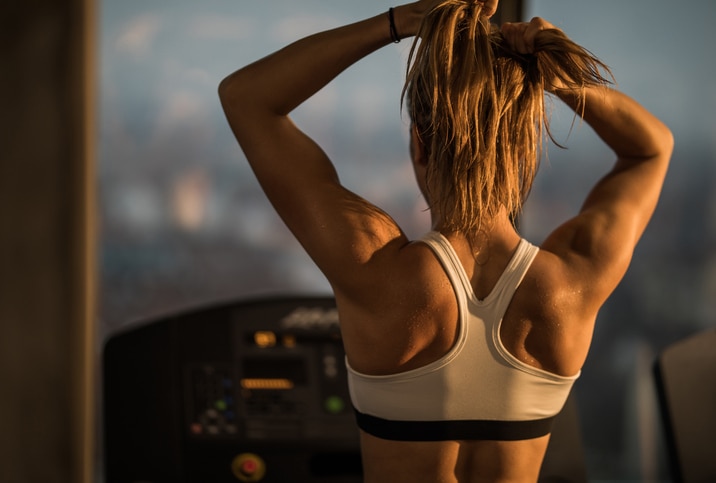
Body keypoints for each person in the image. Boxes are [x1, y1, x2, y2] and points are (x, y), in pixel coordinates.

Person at [219, 0, 672, 481]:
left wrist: (398, 23)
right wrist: (558, 75)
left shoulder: (376, 269)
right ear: (523, 153)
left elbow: (247, 97)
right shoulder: (571, 284)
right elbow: (650, 148)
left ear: (419, 142)